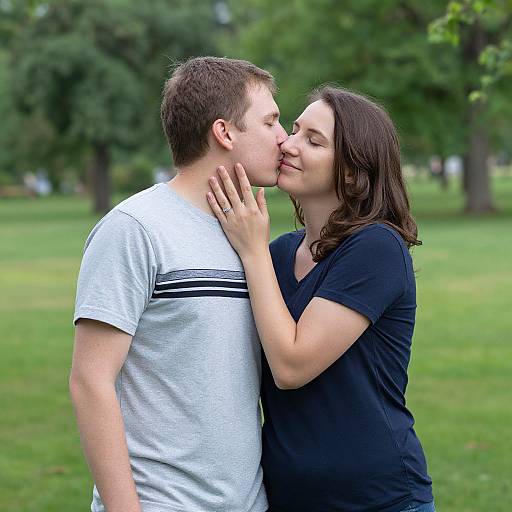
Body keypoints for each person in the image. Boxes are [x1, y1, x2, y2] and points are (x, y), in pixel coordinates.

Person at [69, 56, 287, 512]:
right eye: (270, 122)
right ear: (225, 133)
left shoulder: (248, 235)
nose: (284, 138)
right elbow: (91, 380)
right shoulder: (135, 228)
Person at [206, 86, 435, 512]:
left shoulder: (376, 248)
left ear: (351, 172)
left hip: (377, 500)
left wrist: (251, 250)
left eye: (313, 141)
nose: (287, 145)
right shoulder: (276, 255)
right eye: (293, 130)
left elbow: (292, 365)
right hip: (288, 499)